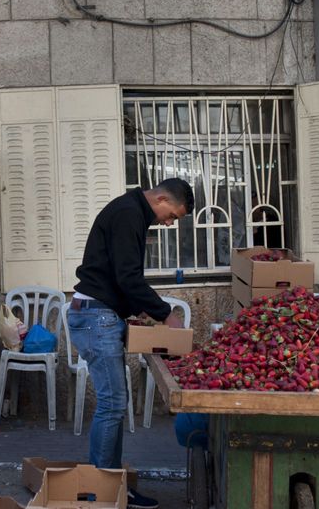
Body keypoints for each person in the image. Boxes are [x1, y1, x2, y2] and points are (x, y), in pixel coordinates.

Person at [68, 178, 194, 509]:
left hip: (99, 314)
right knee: (112, 403)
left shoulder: (131, 211)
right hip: (96, 316)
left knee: (114, 402)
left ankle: (111, 484)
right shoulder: (128, 213)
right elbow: (128, 278)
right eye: (173, 216)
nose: (169, 223)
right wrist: (165, 314)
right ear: (162, 198)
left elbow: (123, 278)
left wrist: (141, 313)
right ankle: (104, 490)